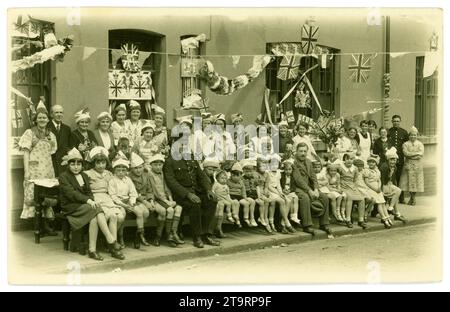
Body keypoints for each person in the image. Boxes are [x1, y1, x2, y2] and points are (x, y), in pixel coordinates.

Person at [59, 148, 125, 261]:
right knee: (97, 209)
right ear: (68, 165)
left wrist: (90, 200)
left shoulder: (84, 176)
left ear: (82, 165)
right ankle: (111, 240)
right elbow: (71, 194)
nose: (76, 167)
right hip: (72, 206)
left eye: (78, 164)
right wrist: (88, 201)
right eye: (73, 164)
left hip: (85, 206)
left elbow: (89, 192)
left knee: (94, 218)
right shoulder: (64, 176)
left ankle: (92, 250)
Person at [164, 134, 220, 248]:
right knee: (195, 203)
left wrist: (208, 190)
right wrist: (188, 194)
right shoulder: (170, 161)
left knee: (212, 200)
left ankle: (207, 234)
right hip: (181, 195)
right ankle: (197, 236)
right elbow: (172, 182)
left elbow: (201, 176)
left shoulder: (191, 158)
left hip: (196, 191)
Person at [18, 102, 58, 235]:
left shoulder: (51, 135)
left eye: (44, 118)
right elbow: (25, 152)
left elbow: (52, 152)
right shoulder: (30, 133)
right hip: (34, 169)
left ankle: (45, 225)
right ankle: (38, 227)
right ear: (36, 119)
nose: (42, 120)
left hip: (47, 170)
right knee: (34, 197)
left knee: (47, 196)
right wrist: (26, 171)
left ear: (48, 119)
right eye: (40, 117)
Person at [84, 146, 126, 249]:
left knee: (120, 216)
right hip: (95, 197)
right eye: (98, 163)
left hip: (108, 197)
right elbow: (84, 190)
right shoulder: (88, 174)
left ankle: (109, 240)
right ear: (93, 163)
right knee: (111, 216)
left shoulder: (109, 173)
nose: (101, 166)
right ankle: (111, 243)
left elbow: (114, 186)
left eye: (103, 163)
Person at [291, 143, 334, 236]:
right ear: (296, 151)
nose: (303, 153)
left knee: (324, 197)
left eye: (305, 151)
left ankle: (324, 223)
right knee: (305, 198)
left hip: (309, 187)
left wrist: (315, 189)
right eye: (301, 151)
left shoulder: (308, 161)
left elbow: (313, 177)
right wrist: (309, 191)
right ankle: (306, 225)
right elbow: (298, 180)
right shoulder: (293, 162)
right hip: (296, 188)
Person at [108, 153, 149, 249]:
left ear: (126, 171)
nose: (121, 173)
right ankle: (120, 237)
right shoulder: (112, 181)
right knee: (122, 217)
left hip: (128, 201)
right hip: (118, 203)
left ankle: (139, 235)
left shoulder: (128, 180)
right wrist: (123, 205)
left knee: (139, 212)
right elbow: (113, 196)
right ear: (115, 171)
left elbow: (133, 193)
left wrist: (132, 202)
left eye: (123, 170)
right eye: (118, 170)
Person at [147, 154, 185, 246]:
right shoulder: (150, 174)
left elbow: (166, 188)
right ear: (151, 165)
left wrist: (170, 199)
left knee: (179, 208)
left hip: (165, 199)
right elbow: (154, 191)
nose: (158, 167)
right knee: (170, 210)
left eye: (160, 165)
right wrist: (167, 202)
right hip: (157, 199)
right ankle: (166, 236)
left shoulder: (162, 173)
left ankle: (173, 233)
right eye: (155, 165)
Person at [339, 153, 368, 229]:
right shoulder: (341, 167)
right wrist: (340, 186)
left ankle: (360, 220)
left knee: (361, 199)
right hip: (343, 186)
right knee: (350, 198)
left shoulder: (355, 168)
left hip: (352, 186)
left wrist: (354, 186)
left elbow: (355, 180)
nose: (349, 161)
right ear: (344, 160)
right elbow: (337, 177)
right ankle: (348, 219)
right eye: (347, 159)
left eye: (351, 159)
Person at [363, 155, 392, 229]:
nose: (371, 164)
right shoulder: (366, 171)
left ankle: (387, 217)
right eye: (370, 162)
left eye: (373, 162)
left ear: (376, 163)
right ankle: (384, 218)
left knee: (383, 203)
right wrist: (375, 189)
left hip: (377, 188)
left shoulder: (377, 171)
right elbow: (366, 182)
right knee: (379, 203)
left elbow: (379, 180)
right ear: (368, 163)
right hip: (370, 188)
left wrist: (379, 187)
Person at [380, 147, 407, 223]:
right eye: (391, 159)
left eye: (394, 159)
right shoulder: (384, 167)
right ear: (388, 160)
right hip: (382, 185)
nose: (393, 161)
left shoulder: (394, 167)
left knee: (397, 191)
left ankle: (394, 210)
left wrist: (394, 185)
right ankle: (393, 210)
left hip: (388, 184)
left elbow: (393, 178)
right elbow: (381, 180)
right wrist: (381, 191)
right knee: (397, 191)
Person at [314, 160, 345, 224]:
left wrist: (320, 183)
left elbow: (326, 182)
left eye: (318, 167)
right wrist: (320, 183)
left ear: (321, 167)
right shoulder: (313, 174)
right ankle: (333, 214)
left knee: (334, 196)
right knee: (329, 197)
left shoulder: (322, 174)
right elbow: (314, 183)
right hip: (318, 190)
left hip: (324, 188)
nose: (317, 169)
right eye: (315, 167)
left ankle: (336, 213)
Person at [399, 126, 424, 206]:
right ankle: (412, 198)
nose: (413, 136)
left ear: (417, 135)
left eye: (414, 135)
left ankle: (413, 198)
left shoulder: (420, 144)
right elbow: (406, 153)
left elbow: (420, 154)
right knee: (409, 182)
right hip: (408, 165)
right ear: (409, 136)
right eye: (411, 135)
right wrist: (415, 154)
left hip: (417, 166)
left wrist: (411, 155)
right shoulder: (405, 144)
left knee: (416, 182)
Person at [227, 162, 257, 228]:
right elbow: (226, 190)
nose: (235, 177)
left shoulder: (241, 182)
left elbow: (243, 191)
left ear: (241, 176)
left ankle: (246, 218)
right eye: (233, 175)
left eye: (237, 176)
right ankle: (236, 217)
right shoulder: (228, 181)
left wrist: (245, 197)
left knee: (246, 203)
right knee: (236, 203)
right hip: (231, 196)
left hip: (239, 196)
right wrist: (228, 197)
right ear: (231, 175)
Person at [387, 115, 409, 203]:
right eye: (394, 121)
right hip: (390, 158)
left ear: (400, 122)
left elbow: (406, 145)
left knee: (400, 178)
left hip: (399, 159)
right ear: (392, 122)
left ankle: (401, 198)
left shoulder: (404, 132)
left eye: (397, 121)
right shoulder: (388, 132)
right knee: (391, 177)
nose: (396, 122)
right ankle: (390, 197)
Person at [48, 104, 71, 176]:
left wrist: (68, 155)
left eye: (61, 112)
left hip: (63, 163)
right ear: (51, 114)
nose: (59, 115)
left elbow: (69, 146)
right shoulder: (46, 127)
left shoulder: (67, 129)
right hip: (49, 162)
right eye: (56, 112)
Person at [280, 160, 301, 226]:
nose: (288, 171)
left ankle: (295, 215)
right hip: (283, 191)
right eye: (286, 170)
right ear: (284, 170)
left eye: (290, 169)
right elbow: (279, 184)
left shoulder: (292, 177)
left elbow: (294, 186)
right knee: (290, 199)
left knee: (296, 198)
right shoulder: (282, 176)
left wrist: (290, 190)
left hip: (289, 191)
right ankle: (287, 218)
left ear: (292, 170)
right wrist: (283, 190)